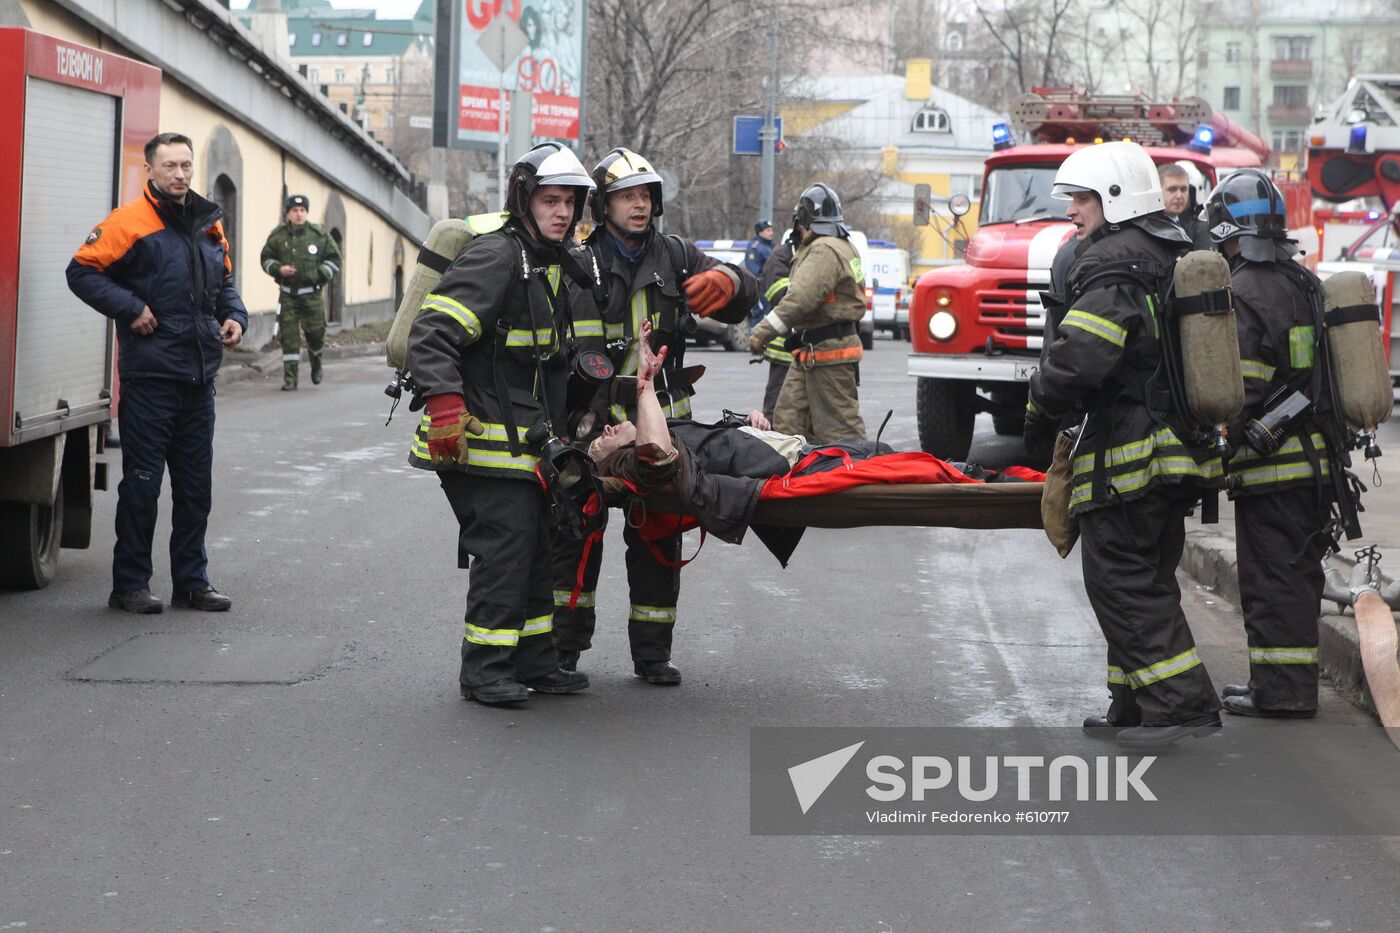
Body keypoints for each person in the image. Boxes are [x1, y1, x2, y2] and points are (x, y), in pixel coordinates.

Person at [1022, 141, 1223, 749]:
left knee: (1120, 580)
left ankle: (1181, 706)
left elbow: (1081, 357)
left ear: (1113, 198)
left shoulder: (1113, 262)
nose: (1073, 211)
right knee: (1146, 578)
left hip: (1132, 455)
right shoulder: (1169, 246)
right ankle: (1131, 705)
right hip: (1173, 449)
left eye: (1082, 198)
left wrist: (1037, 407)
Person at [552, 146, 759, 685]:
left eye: (645, 195)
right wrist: (590, 432)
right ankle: (563, 652)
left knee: (658, 531)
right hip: (592, 424)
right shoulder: (579, 259)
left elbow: (742, 291)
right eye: (626, 197)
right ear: (603, 205)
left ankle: (651, 653)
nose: (639, 206)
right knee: (579, 532)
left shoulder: (674, 254)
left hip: (664, 421)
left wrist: (733, 284)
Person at [405, 142, 594, 706]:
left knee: (538, 548)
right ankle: (485, 669)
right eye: (549, 200)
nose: (561, 212)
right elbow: (430, 333)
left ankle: (536, 661)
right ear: (524, 200)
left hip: (525, 440)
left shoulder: (551, 264)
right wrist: (444, 408)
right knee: (507, 550)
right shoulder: (497, 257)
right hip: (477, 437)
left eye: (570, 202)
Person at [66, 132, 248, 614]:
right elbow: (81, 272)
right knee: (143, 484)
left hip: (198, 378)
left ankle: (192, 582)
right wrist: (130, 308)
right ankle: (129, 584)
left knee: (195, 489)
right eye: (169, 166)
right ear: (150, 170)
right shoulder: (129, 222)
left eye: (186, 165)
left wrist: (235, 316)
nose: (181, 174)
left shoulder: (209, 222)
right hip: (150, 378)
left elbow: (224, 282)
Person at [1207, 170, 1331, 719]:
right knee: (1298, 575)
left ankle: (1281, 694)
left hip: (1273, 464)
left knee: (1271, 580)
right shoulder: (1301, 280)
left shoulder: (1247, 288)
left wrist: (1218, 436)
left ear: (1229, 231)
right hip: (1316, 458)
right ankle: (1283, 685)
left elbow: (1244, 383)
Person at [748, 183, 866, 444]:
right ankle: (801, 478)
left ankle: (860, 477)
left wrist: (762, 333)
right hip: (812, 353)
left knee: (842, 434)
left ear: (803, 220)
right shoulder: (843, 245)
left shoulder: (823, 250)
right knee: (789, 423)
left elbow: (800, 299)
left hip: (828, 355)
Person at [259, 194, 342, 390]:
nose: (299, 214)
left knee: (315, 333)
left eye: (302, 210)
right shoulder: (278, 236)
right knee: (289, 336)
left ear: (307, 212)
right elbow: (266, 258)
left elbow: (334, 259)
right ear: (288, 213)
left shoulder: (318, 235)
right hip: (288, 295)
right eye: (295, 211)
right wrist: (278, 269)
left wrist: (320, 274)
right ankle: (290, 379)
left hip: (311, 295)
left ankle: (316, 364)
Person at [756, 226, 800, 421]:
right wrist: (804, 291)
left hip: (811, 352)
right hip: (783, 347)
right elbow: (778, 295)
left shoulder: (816, 254)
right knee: (775, 407)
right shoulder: (782, 255)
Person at [1158, 162, 1212, 251]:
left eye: (1183, 189)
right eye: (1172, 189)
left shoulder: (1192, 228)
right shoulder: (1147, 229)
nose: (1179, 196)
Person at [744, 221, 775, 323]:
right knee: (761, 319)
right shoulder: (755, 248)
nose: (771, 232)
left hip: (771, 289)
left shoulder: (770, 247)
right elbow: (753, 271)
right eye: (768, 230)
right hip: (761, 290)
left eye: (771, 230)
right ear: (760, 232)